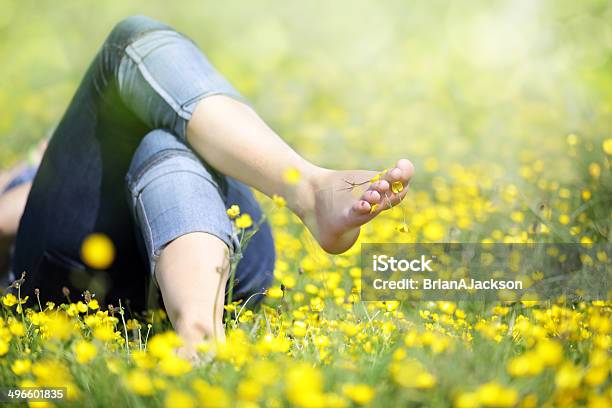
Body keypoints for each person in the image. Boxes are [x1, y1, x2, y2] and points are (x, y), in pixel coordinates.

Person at [0, 16, 413, 357]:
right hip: (77, 275)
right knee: (126, 47)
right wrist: (35, 179)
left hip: (221, 263)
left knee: (158, 135)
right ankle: (307, 191)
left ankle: (198, 336)